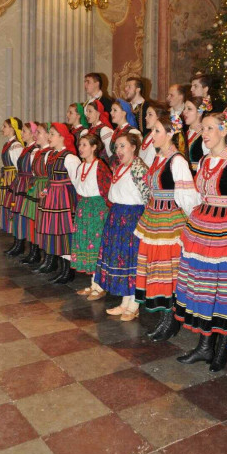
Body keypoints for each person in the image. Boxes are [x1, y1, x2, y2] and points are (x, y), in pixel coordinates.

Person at [174, 112, 227, 372]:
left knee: (224, 289)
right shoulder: (204, 160)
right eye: (203, 129)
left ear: (224, 131)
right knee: (203, 286)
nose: (205, 133)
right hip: (203, 227)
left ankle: (222, 346)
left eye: (210, 128)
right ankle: (204, 345)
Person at [134, 114, 199, 341]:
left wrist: (190, 223)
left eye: (158, 131)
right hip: (154, 216)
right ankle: (164, 316)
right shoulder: (159, 157)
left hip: (169, 220)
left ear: (171, 133)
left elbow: (188, 196)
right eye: (153, 131)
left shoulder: (177, 160)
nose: (153, 135)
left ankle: (171, 320)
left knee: (169, 270)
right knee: (157, 267)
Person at [94, 132, 150, 320]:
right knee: (122, 260)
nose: (118, 150)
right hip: (117, 216)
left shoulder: (138, 168)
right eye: (116, 146)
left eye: (122, 146)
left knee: (131, 261)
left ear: (133, 147)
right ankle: (125, 302)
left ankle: (134, 305)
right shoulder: (119, 167)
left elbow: (148, 196)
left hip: (131, 218)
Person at [36, 123, 81, 284]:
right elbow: (51, 180)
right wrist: (46, 191)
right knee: (57, 234)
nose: (49, 137)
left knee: (65, 233)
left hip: (64, 200)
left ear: (62, 137)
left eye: (53, 134)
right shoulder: (51, 156)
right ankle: (61, 268)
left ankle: (68, 271)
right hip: (53, 199)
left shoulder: (70, 158)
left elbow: (77, 184)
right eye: (49, 134)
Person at [71, 134, 111, 301]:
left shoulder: (99, 166)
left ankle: (100, 285)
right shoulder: (81, 167)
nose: (81, 148)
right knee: (87, 244)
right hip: (85, 208)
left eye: (85, 145)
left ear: (94, 147)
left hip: (97, 209)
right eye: (80, 145)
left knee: (96, 246)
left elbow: (107, 188)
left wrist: (105, 211)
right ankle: (93, 283)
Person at [21, 123, 51, 268]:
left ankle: (47, 257)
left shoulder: (49, 153)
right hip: (36, 186)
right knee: (33, 222)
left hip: (44, 188)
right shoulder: (39, 152)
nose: (35, 135)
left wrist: (44, 190)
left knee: (43, 223)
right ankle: (35, 252)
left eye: (38, 132)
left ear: (47, 135)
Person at [7, 122, 38, 258]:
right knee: (19, 214)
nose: (22, 134)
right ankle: (19, 244)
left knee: (29, 217)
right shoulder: (26, 149)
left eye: (24, 131)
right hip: (21, 183)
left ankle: (33, 251)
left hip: (27, 184)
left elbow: (34, 170)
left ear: (32, 133)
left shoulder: (35, 150)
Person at [0, 117, 23, 254]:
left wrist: (16, 183)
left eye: (5, 126)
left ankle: (19, 243)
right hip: (7, 178)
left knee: (14, 209)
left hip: (13, 180)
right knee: (9, 210)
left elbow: (19, 167)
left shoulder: (16, 146)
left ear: (12, 128)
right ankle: (16, 242)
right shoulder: (8, 144)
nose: (2, 128)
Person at [108, 99, 141, 171]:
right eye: (111, 110)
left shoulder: (133, 131)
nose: (111, 112)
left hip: (128, 170)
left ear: (123, 113)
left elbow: (138, 155)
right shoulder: (115, 132)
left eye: (115, 110)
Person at [183, 95, 211, 175]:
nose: (184, 112)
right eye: (184, 108)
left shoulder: (205, 136)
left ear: (199, 112)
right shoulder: (184, 133)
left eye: (189, 109)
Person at [139, 102, 168, 168]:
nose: (146, 118)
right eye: (146, 115)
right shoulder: (147, 136)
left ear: (159, 117)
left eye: (150, 115)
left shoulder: (161, 138)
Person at [84, 101, 113, 165]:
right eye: (87, 111)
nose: (87, 114)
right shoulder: (88, 131)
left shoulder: (104, 130)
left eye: (90, 111)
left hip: (102, 166)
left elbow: (110, 152)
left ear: (98, 113)